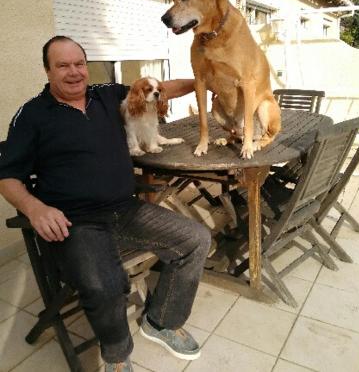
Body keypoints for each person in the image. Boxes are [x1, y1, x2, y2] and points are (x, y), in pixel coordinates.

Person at [0, 36, 211, 372]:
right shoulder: (32, 115)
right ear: (47, 70)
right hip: (75, 222)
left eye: (79, 63)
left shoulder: (108, 96)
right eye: (63, 65)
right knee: (106, 284)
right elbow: (8, 177)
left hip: (126, 210)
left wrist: (205, 79)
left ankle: (159, 321)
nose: (73, 72)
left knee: (197, 239)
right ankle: (115, 355)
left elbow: (161, 86)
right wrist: (34, 208)